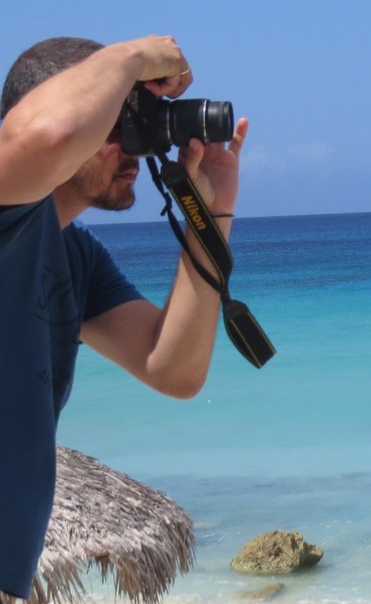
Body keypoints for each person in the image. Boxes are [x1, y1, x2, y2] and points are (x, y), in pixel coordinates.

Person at [0, 35, 249, 600]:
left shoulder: (74, 255)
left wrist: (212, 216)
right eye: (112, 125)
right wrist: (133, 58)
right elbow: (48, 134)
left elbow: (174, 369)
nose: (131, 146)